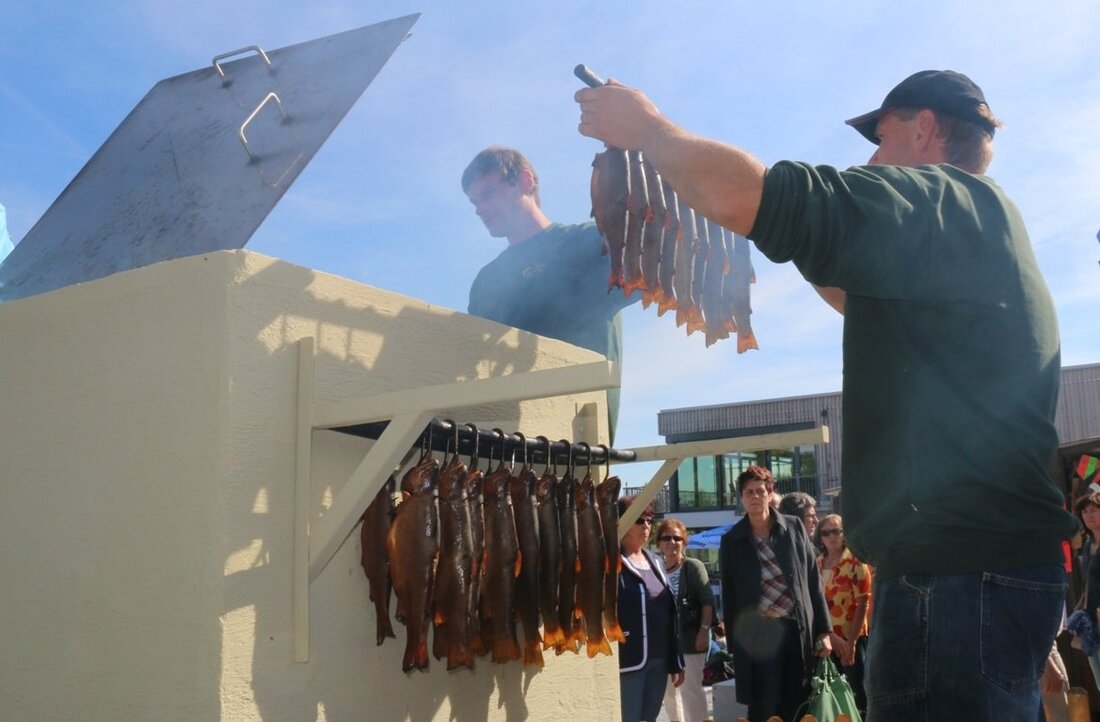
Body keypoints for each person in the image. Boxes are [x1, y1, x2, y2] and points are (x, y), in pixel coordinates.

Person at [576, 69, 1077, 720]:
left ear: (924, 128)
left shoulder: (939, 198)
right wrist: (777, 230)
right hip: (990, 573)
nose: (870, 156)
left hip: (954, 579)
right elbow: (847, 286)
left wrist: (647, 128)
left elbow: (754, 197)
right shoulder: (984, 226)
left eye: (882, 134)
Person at [461, 147, 639, 439]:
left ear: (525, 182)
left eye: (488, 194)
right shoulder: (486, 282)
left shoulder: (593, 242)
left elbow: (663, 267)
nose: (480, 209)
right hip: (504, 441)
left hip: (581, 436)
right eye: (474, 202)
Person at [716, 466, 831, 722]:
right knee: (762, 707)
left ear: (770, 493)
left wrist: (824, 630)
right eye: (749, 492)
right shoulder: (732, 540)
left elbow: (813, 580)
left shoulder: (794, 528)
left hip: (795, 629)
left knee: (797, 704)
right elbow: (730, 595)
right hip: (758, 635)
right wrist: (736, 646)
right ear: (742, 497)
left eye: (760, 491)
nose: (755, 497)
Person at [617, 496, 685, 722]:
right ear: (622, 522)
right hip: (629, 660)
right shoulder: (612, 561)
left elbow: (669, 612)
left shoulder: (656, 561)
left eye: (649, 520)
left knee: (650, 719)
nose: (646, 526)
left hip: (660, 659)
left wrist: (676, 659)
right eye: (639, 520)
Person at [656, 519, 714, 722]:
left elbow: (708, 601)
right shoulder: (656, 568)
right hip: (664, 644)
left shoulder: (693, 567)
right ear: (659, 543)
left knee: (691, 693)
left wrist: (704, 631)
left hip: (690, 641)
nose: (672, 542)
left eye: (677, 538)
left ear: (684, 542)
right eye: (666, 538)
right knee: (670, 696)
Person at [813, 513, 872, 715]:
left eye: (837, 531)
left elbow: (863, 602)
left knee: (856, 695)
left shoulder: (856, 561)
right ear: (820, 537)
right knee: (830, 695)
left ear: (845, 534)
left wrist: (852, 643)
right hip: (827, 641)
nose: (832, 536)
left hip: (850, 639)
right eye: (826, 532)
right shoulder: (817, 563)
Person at [1073, 489, 1100, 690]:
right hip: (1091, 621)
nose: (1089, 515)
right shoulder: (1088, 544)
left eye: (1094, 510)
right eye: (1085, 512)